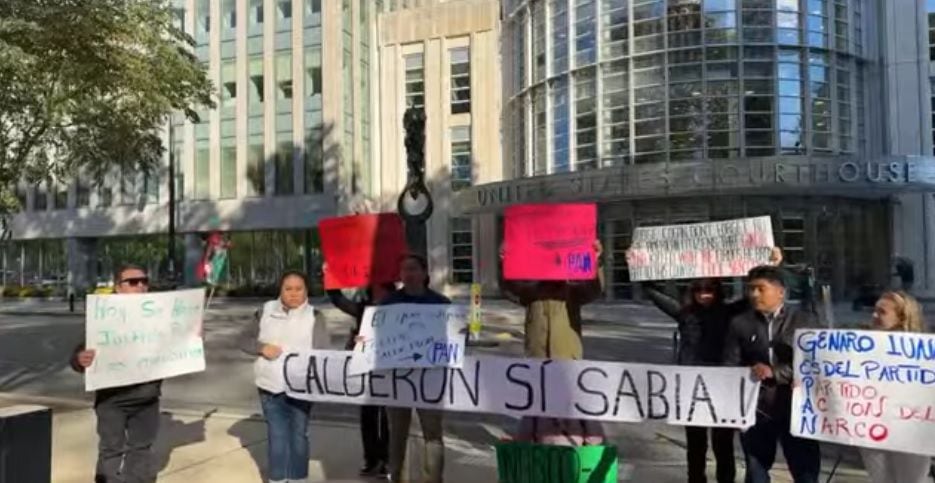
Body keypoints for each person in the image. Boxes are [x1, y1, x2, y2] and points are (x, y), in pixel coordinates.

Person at [640, 247, 783, 483]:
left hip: (720, 387)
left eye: (709, 289)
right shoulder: (684, 313)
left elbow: (755, 295)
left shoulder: (729, 313)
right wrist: (640, 264)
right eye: (698, 289)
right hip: (690, 388)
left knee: (723, 444)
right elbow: (652, 291)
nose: (703, 294)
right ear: (692, 291)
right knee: (695, 445)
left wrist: (774, 265)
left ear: (717, 290)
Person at [500, 240, 605, 445]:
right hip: (537, 356)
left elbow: (594, 289)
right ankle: (532, 442)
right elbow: (509, 288)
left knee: (570, 404)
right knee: (536, 405)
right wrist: (506, 262)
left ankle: (579, 442)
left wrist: (595, 260)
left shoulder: (572, 291)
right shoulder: (531, 292)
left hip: (567, 357)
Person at [723, 265, 821, 483]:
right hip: (757, 410)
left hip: (796, 410)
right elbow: (730, 364)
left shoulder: (805, 321)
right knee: (756, 471)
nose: (754, 294)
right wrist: (747, 373)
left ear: (780, 292)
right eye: (750, 289)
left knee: (805, 471)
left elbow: (815, 363)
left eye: (760, 289)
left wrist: (775, 373)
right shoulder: (739, 323)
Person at [71, 264, 165, 483]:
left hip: (148, 398)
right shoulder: (103, 316)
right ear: (118, 288)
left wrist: (191, 336)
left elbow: (176, 345)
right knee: (111, 450)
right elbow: (79, 352)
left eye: (144, 281)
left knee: (141, 450)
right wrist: (79, 359)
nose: (140, 286)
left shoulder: (159, 314)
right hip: (112, 400)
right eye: (133, 282)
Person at [380, 254, 451, 483]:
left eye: (413, 269)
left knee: (433, 434)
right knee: (397, 434)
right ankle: (398, 477)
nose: (408, 274)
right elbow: (378, 336)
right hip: (398, 378)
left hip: (430, 378)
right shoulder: (389, 303)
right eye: (404, 270)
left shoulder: (441, 304)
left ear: (424, 272)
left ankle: (433, 479)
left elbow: (452, 338)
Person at [254, 270, 329, 483]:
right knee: (277, 436)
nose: (293, 294)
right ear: (280, 290)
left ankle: (298, 479)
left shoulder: (315, 316)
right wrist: (261, 347)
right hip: (270, 386)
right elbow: (243, 340)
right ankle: (277, 479)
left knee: (298, 435)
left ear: (306, 291)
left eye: (299, 289)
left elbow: (324, 351)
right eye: (288, 289)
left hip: (301, 388)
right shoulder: (264, 311)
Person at [859, 291, 933, 483]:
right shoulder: (858, 346)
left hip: (912, 431)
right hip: (872, 429)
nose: (874, 316)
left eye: (881, 312)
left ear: (902, 317)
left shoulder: (924, 351)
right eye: (873, 310)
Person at [326, 278, 395, 477]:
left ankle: (389, 459)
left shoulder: (401, 309)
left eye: (382, 288)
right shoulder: (362, 309)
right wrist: (330, 277)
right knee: (368, 416)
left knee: (389, 418)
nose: (378, 293)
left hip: (392, 371)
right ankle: (372, 459)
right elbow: (338, 299)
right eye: (374, 289)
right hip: (367, 369)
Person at [499, 240, 604, 359]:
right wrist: (506, 262)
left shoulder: (573, 279)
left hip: (567, 353)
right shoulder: (531, 280)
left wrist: (594, 262)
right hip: (537, 352)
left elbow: (592, 292)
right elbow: (511, 291)